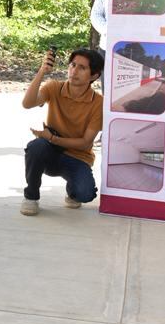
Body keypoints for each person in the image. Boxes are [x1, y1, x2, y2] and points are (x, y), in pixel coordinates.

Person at [19, 48, 104, 215]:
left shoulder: (98, 103)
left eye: (82, 68)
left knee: (85, 194)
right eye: (72, 65)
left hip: (78, 157)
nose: (74, 71)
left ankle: (72, 189)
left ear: (94, 76)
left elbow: (86, 143)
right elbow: (27, 103)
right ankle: (31, 197)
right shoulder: (54, 88)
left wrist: (51, 138)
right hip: (50, 152)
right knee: (36, 147)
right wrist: (42, 71)